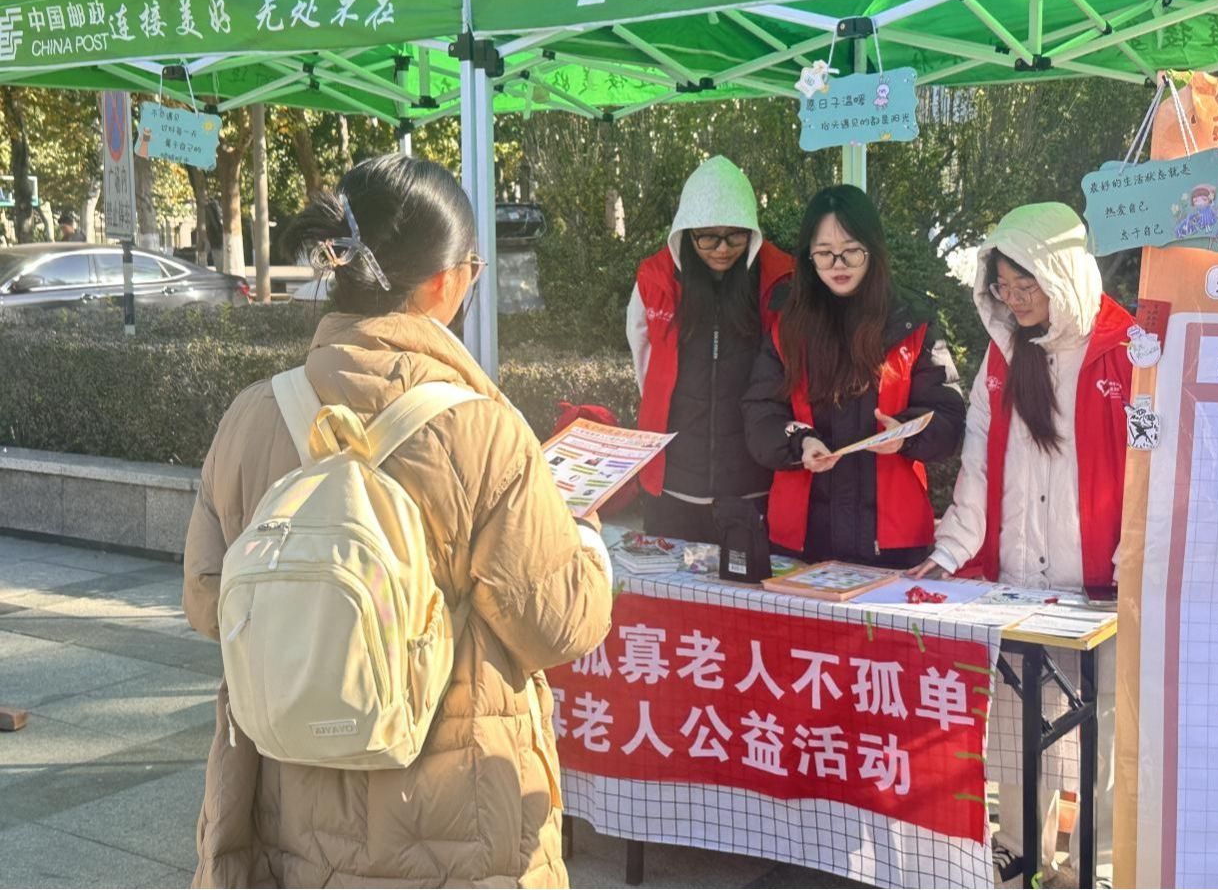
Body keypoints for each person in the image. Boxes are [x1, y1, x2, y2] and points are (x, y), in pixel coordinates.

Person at [182, 154, 613, 888]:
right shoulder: (485, 431)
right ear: (447, 280)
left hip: (292, 811)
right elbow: (555, 628)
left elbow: (205, 600)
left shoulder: (253, 416)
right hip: (460, 825)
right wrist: (588, 544)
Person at [907, 202, 1133, 880]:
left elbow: (1149, 469)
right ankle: (1018, 842)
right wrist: (949, 551)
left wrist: (1132, 561)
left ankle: (1092, 859)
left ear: (1061, 272)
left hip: (1097, 584)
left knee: (1102, 723)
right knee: (1015, 719)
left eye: (1025, 284)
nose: (1015, 299)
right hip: (1016, 578)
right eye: (1003, 286)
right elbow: (977, 463)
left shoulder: (1125, 347)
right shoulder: (1004, 353)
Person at [743, 184, 965, 566]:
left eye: (851, 251)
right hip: (801, 540)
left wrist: (905, 434)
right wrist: (799, 442)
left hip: (892, 541)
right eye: (824, 253)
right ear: (808, 256)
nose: (838, 264)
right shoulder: (786, 324)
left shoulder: (913, 321)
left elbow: (948, 415)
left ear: (873, 250)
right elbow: (760, 414)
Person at [628, 156, 794, 543]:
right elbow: (643, 358)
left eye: (735, 236)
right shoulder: (655, 278)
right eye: (708, 238)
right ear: (686, 234)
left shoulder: (780, 278)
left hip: (753, 485)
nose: (722, 249)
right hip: (673, 485)